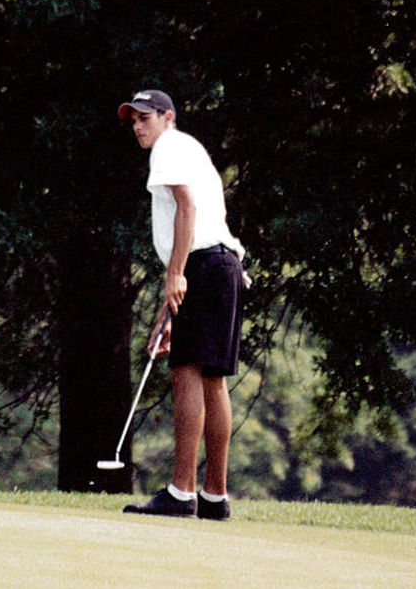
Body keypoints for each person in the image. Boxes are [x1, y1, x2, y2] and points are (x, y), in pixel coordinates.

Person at [118, 89, 247, 521]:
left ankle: (181, 492)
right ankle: (214, 497)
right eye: (133, 120)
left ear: (167, 118)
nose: (138, 126)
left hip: (204, 265)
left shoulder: (169, 146)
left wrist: (176, 274)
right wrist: (168, 309)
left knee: (186, 373)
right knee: (213, 380)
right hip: (222, 267)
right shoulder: (187, 147)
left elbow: (187, 209)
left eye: (145, 118)